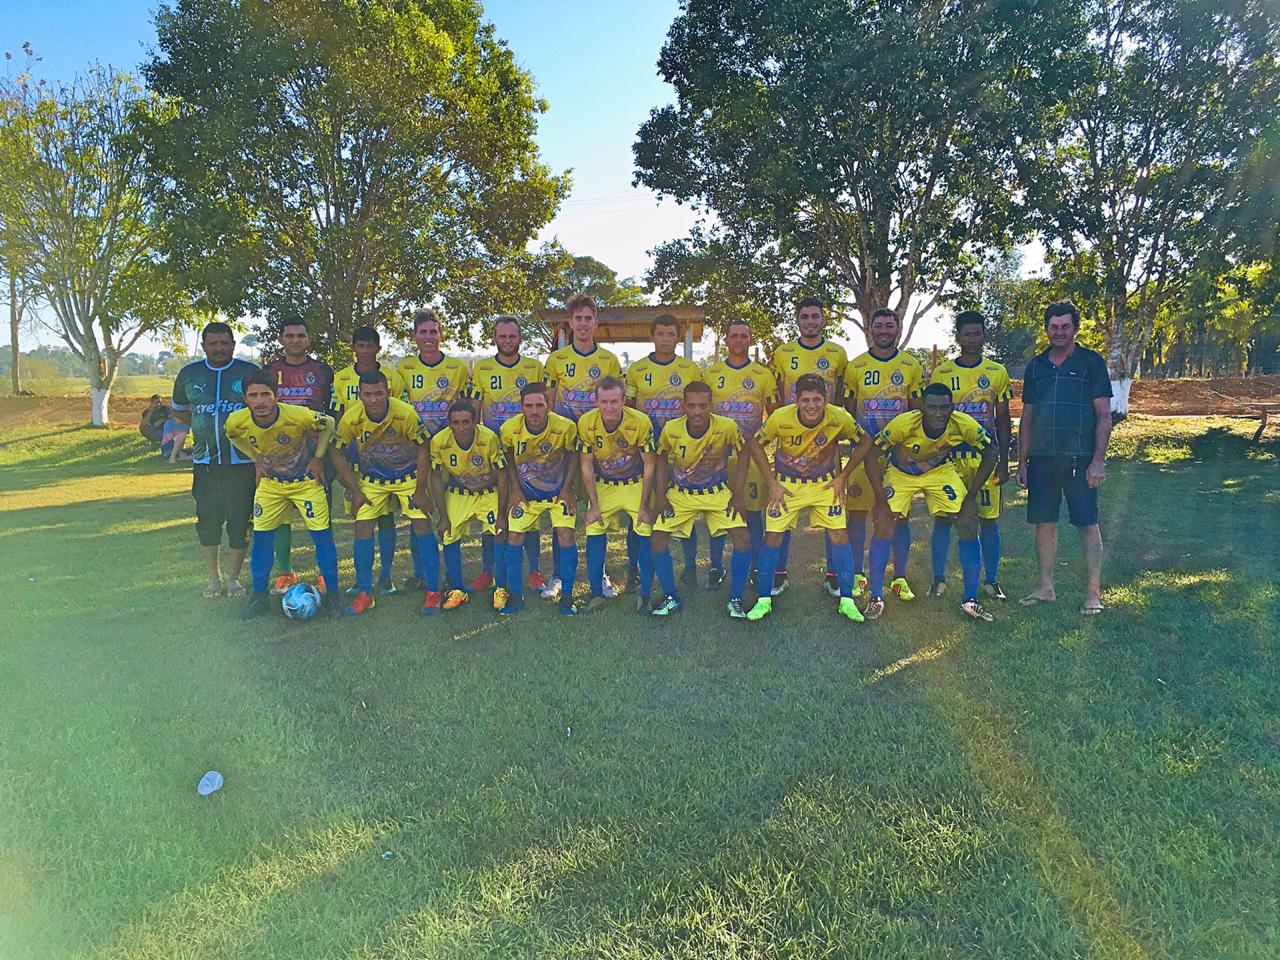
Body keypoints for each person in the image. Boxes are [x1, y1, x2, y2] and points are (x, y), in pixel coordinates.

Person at [743, 373, 874, 623]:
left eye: (816, 399)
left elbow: (865, 440)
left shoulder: (839, 417)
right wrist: (772, 483)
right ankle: (763, 600)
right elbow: (756, 444)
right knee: (772, 536)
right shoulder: (781, 417)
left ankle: (847, 600)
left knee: (839, 534)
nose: (811, 405)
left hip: (825, 485)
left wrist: (843, 476)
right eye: (805, 400)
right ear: (796, 400)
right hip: (787, 486)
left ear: (826, 399)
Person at [863, 383, 998, 622]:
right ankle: (876, 598)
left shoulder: (962, 423)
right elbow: (872, 455)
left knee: (967, 522)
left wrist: (970, 497)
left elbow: (991, 452)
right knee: (884, 523)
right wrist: (880, 501)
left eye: (944, 408)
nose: (938, 413)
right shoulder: (904, 424)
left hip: (939, 471)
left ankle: (970, 600)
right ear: (922, 407)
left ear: (952, 408)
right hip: (902, 472)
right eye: (932, 407)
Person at [1017, 300, 1113, 615]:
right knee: (1044, 522)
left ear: (1075, 328)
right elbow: (1027, 416)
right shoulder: (1036, 367)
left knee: (1087, 523)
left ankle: (1093, 593)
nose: (1059, 332)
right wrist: (1022, 461)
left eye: (1065, 326)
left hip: (1080, 459)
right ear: (1046, 329)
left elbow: (1104, 415)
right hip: (1042, 458)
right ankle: (1046, 587)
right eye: (1053, 327)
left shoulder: (1091, 363)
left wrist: (1098, 461)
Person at [224, 371, 342, 619]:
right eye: (253, 396)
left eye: (265, 394)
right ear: (245, 399)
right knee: (262, 538)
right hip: (272, 484)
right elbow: (232, 436)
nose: (260, 401)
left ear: (276, 396)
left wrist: (319, 457)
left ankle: (333, 596)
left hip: (306, 483)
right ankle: (259, 597)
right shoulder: (236, 421)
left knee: (322, 537)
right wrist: (256, 459)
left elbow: (329, 423)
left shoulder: (298, 415)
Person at [331, 371, 441, 616]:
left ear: (388, 392)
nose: (373, 399)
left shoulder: (406, 414)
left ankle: (434, 590)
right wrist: (354, 489)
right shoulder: (352, 418)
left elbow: (423, 447)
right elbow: (336, 450)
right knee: (362, 527)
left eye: (378, 393)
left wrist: (420, 490)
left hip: (408, 476)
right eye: (367, 394)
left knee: (422, 524)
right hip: (373, 479)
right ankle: (365, 593)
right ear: (360, 394)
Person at [170, 321, 260, 598]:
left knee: (240, 522)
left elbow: (264, 407)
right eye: (213, 344)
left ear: (233, 344)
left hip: (242, 464)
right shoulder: (189, 374)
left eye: (224, 343)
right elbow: (180, 411)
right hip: (206, 464)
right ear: (204, 346)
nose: (219, 348)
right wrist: (203, 425)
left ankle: (233, 579)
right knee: (208, 521)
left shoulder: (248, 373)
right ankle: (213, 579)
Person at [927, 311, 1013, 600]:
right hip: (948, 458)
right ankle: (938, 579)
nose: (973, 339)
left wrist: (1004, 459)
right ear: (958, 337)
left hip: (983, 458)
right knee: (943, 519)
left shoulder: (997, 372)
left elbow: (1003, 419)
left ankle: (991, 581)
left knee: (988, 520)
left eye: (977, 334)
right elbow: (932, 416)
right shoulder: (942, 373)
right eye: (967, 334)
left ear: (984, 336)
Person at [650, 381, 755, 618]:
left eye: (702, 406)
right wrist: (661, 495)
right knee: (657, 539)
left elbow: (745, 450)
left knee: (742, 538)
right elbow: (661, 456)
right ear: (683, 406)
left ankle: (736, 599)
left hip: (716, 492)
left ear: (711, 406)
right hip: (681, 493)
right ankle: (671, 597)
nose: (697, 411)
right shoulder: (671, 429)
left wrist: (738, 493)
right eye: (692, 406)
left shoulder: (726, 427)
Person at [544, 294, 624, 600]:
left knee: (596, 509)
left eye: (588, 318)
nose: (583, 323)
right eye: (578, 318)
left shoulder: (608, 360)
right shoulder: (556, 360)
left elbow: (616, 404)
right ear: (570, 322)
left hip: (599, 447)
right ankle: (558, 575)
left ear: (596, 322)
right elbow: (549, 402)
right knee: (562, 509)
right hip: (565, 447)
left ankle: (600, 575)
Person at [769, 297, 848, 596]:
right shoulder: (783, 353)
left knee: (833, 511)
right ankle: (778, 574)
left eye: (816, 316)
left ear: (823, 320)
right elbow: (779, 397)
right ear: (797, 321)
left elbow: (842, 396)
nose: (811, 321)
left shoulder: (837, 353)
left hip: (825, 445)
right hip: (791, 446)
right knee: (782, 508)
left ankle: (833, 575)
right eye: (805, 317)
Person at [843, 307, 923, 602]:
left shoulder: (911, 365)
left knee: (899, 516)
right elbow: (848, 410)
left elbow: (916, 410)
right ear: (870, 330)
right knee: (857, 513)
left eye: (890, 326)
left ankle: (899, 577)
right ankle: (857, 573)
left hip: (898, 455)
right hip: (863, 453)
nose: (884, 331)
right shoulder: (856, 366)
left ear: (898, 330)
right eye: (879, 326)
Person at [625, 314, 706, 587]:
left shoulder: (690, 369)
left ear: (678, 337)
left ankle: (690, 568)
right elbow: (629, 410)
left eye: (671, 334)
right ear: (652, 336)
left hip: (681, 453)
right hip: (645, 453)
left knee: (685, 511)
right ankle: (634, 570)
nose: (666, 339)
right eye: (660, 333)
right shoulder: (637, 369)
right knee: (640, 511)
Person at [470, 316, 548, 596]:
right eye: (502, 336)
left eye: (512, 336)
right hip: (495, 450)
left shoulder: (534, 367)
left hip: (528, 451)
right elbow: (475, 407)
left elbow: (543, 407)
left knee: (529, 509)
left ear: (520, 339)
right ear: (494, 339)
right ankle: (488, 570)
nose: (507, 341)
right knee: (494, 510)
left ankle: (535, 570)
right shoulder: (482, 368)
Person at [398, 309, 472, 591]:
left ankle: (456, 573)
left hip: (449, 448)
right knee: (418, 509)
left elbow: (468, 407)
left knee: (450, 508)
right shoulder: (404, 368)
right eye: (423, 332)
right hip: (416, 449)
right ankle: (421, 572)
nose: (429, 337)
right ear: (414, 336)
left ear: (441, 334)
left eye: (433, 331)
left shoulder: (457, 368)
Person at [332, 324, 408, 596]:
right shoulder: (341, 378)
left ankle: (386, 576)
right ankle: (361, 579)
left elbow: (401, 414)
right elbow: (338, 416)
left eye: (370, 346)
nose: (365, 351)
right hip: (355, 459)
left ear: (378, 348)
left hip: (385, 461)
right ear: (353, 348)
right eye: (360, 346)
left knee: (386, 518)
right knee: (361, 518)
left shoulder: (393, 378)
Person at [262, 319, 335, 595]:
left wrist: (323, 454)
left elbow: (330, 413)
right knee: (281, 517)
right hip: (279, 455)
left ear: (308, 339)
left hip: (314, 456)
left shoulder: (322, 371)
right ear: (281, 339)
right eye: (290, 336)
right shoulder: (270, 371)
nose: (295, 340)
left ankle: (325, 573)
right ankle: (285, 572)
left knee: (321, 516)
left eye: (300, 336)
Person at [499, 382, 580, 616]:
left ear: (549, 405)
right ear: (521, 407)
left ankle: (568, 596)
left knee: (566, 534)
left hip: (557, 494)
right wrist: (515, 489)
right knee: (515, 536)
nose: (534, 411)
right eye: (529, 406)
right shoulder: (509, 429)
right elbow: (509, 458)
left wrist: (568, 488)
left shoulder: (565, 427)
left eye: (539, 405)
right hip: (527, 495)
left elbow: (573, 455)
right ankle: (516, 596)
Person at [705, 321, 778, 581]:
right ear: (725, 340)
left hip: (752, 457)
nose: (738, 340)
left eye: (743, 336)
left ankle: (755, 567)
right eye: (733, 336)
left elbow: (775, 415)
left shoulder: (763, 375)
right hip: (718, 457)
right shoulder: (711, 374)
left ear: (750, 340)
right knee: (717, 512)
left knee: (753, 514)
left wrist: (760, 442)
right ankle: (716, 566)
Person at [575, 376, 655, 614]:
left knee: (645, 529)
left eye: (614, 401)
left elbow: (649, 464)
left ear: (624, 401)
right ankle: (596, 593)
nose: (609, 407)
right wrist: (593, 504)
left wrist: (644, 505)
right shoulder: (586, 422)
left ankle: (645, 594)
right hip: (605, 483)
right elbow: (586, 465)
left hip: (634, 482)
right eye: (604, 401)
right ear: (596, 401)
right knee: (594, 528)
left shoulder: (640, 421)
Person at [429, 400, 509, 611]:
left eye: (466, 422)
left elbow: (502, 476)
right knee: (449, 533)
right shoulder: (439, 441)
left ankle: (501, 587)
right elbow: (435, 477)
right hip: (459, 491)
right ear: (449, 424)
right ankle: (457, 589)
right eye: (456, 422)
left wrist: (502, 515)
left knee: (499, 531)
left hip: (488, 491)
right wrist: (442, 515)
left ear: (475, 422)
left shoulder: (489, 438)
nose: (461, 427)